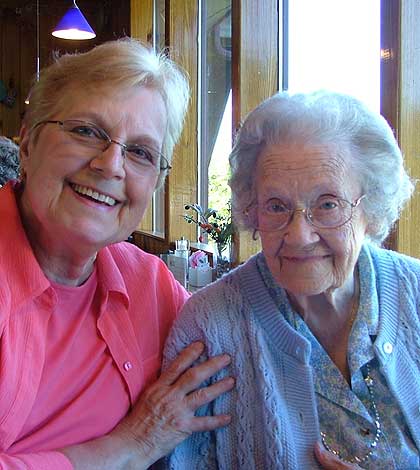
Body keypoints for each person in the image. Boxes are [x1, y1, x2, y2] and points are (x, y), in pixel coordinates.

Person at [0, 38, 234, 469]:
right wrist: (133, 445)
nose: (111, 165)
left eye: (141, 153)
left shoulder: (150, 284)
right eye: (87, 131)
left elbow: (256, 350)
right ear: (28, 145)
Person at [161, 90, 420, 469]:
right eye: (277, 206)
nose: (299, 235)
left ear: (372, 206)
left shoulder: (415, 292)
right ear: (253, 211)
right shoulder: (208, 326)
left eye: (328, 204)